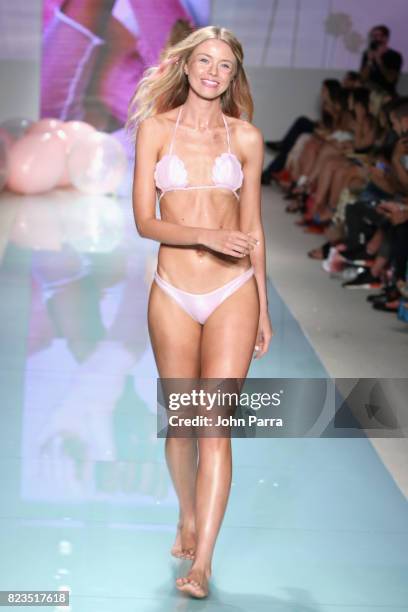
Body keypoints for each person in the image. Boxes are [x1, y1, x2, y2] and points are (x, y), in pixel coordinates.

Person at [127, 26, 273, 599]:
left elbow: (253, 227)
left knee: (216, 427)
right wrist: (209, 234)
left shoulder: (248, 139)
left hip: (234, 291)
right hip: (173, 291)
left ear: (234, 76)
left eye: (226, 66)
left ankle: (203, 562)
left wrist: (262, 303)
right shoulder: (155, 131)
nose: (214, 72)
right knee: (182, 422)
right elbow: (145, 221)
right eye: (205, 61)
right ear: (186, 67)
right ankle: (186, 514)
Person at [360, 25, 403, 95]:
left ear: (385, 38)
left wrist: (379, 61)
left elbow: (391, 79)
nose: (374, 39)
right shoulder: (367, 54)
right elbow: (362, 79)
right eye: (372, 36)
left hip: (385, 93)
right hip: (368, 92)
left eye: (377, 35)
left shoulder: (395, 56)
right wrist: (369, 61)